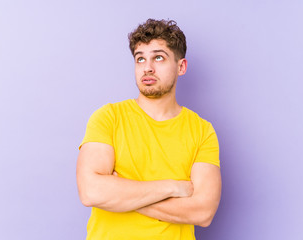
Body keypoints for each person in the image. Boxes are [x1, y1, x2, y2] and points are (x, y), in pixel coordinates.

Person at [76, 18, 221, 240]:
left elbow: (203, 212)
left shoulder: (202, 130)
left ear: (181, 66)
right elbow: (91, 192)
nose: (147, 67)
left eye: (158, 57)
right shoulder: (108, 117)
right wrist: (172, 187)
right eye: (140, 59)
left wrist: (122, 196)